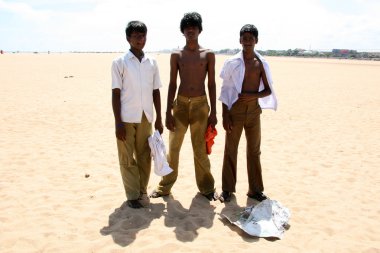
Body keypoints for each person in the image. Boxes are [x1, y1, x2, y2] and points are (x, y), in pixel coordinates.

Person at [150, 12, 218, 201]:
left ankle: (207, 188)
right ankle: (165, 187)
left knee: (200, 149)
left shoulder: (208, 54)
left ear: (199, 29)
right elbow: (172, 83)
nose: (190, 29)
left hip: (200, 105)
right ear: (183, 31)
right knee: (174, 148)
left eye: (194, 26)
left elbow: (211, 83)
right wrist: (167, 113)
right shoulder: (176, 54)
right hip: (179, 105)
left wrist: (214, 112)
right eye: (187, 26)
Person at [218, 24, 277, 203]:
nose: (248, 41)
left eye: (251, 38)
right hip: (234, 110)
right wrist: (224, 115)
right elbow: (225, 90)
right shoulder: (232, 63)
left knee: (254, 151)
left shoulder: (261, 64)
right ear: (240, 40)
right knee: (230, 150)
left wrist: (253, 95)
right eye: (245, 38)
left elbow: (268, 90)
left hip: (253, 113)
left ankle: (255, 190)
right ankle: (227, 189)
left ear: (256, 41)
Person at [111, 21, 163, 209]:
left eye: (143, 36)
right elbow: (116, 93)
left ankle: (142, 190)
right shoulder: (119, 63)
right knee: (126, 157)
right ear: (128, 38)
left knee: (144, 155)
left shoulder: (152, 62)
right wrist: (118, 122)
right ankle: (132, 195)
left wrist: (159, 118)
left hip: (146, 116)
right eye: (136, 36)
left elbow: (156, 91)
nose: (140, 40)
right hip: (126, 117)